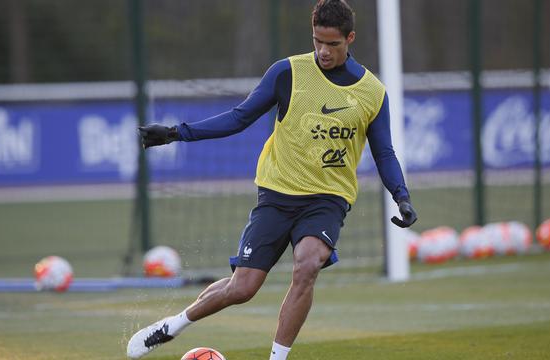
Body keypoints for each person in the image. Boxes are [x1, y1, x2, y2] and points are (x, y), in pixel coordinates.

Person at [126, 0, 417, 359]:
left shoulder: (373, 93)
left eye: (332, 44)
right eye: (317, 42)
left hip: (328, 198)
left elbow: (384, 152)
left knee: (308, 263)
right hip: (277, 193)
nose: (323, 52)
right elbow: (239, 117)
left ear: (350, 38)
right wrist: (175, 133)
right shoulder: (288, 73)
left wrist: (401, 195)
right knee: (243, 287)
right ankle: (173, 325)